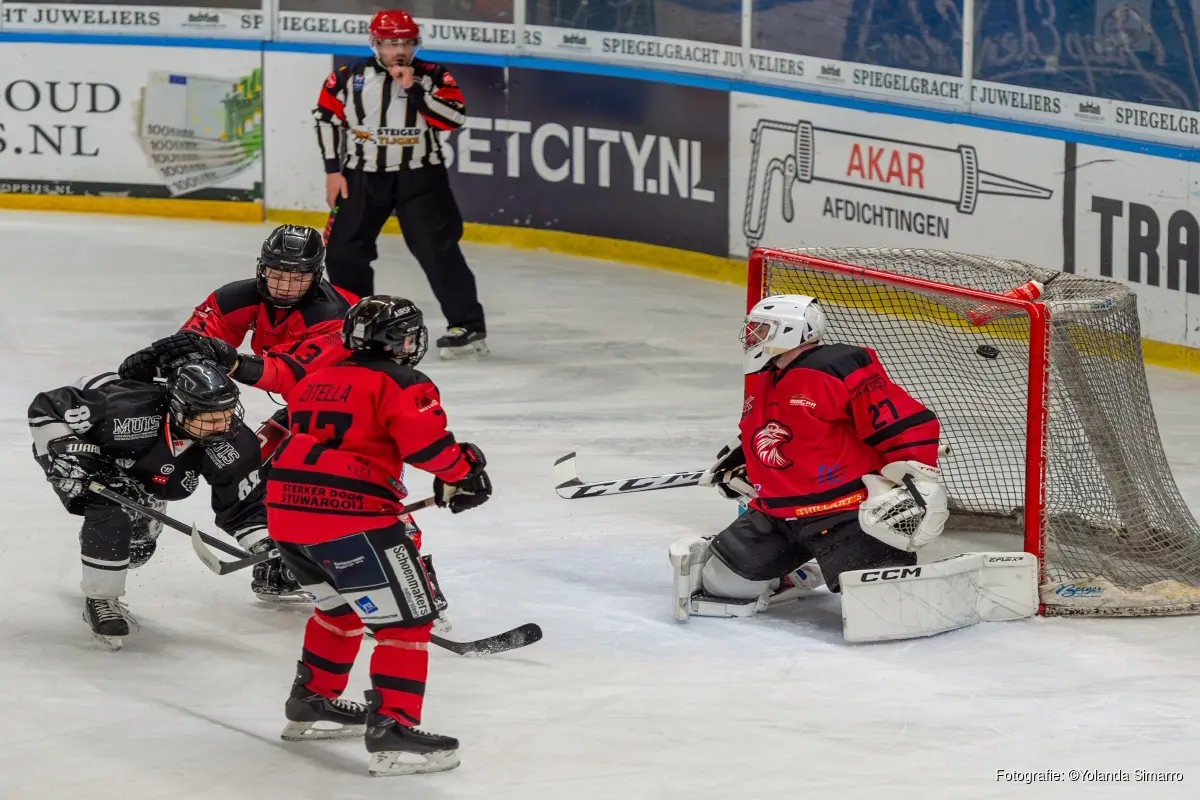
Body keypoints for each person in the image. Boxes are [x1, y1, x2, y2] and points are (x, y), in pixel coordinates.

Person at [264, 295, 491, 776]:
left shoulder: (315, 379)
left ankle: (311, 701)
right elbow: (429, 447)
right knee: (407, 624)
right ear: (401, 341)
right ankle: (393, 727)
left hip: (286, 514)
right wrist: (465, 469)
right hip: (352, 520)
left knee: (338, 611)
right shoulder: (403, 380)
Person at [670, 294, 949, 620]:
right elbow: (771, 429)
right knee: (723, 586)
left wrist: (919, 475)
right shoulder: (763, 377)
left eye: (761, 329)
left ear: (790, 331)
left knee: (882, 605)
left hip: (845, 514)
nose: (751, 336)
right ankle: (793, 576)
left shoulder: (839, 365)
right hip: (778, 515)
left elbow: (897, 419)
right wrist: (745, 462)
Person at [116, 224, 356, 604]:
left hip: (349, 414)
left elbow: (287, 375)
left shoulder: (335, 316)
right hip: (303, 408)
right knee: (245, 463)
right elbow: (195, 347)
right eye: (276, 273)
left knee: (313, 488)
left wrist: (228, 359)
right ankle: (279, 566)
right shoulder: (236, 298)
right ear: (262, 267)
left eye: (298, 277)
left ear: (317, 274)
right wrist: (173, 358)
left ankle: (394, 578)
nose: (284, 286)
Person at [28, 362, 268, 650]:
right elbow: (47, 407)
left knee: (137, 549)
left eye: (227, 415)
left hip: (151, 471)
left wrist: (265, 545)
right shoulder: (126, 410)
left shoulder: (237, 442)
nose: (222, 426)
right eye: (210, 418)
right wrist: (64, 446)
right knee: (111, 505)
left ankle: (119, 530)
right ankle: (102, 600)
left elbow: (242, 507)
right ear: (181, 410)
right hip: (93, 454)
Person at [314, 9, 488, 360]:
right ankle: (357, 324)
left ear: (415, 43)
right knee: (344, 251)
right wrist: (333, 170)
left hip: (420, 177)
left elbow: (453, 119)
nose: (399, 50)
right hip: (361, 176)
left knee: (437, 249)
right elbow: (326, 119)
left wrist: (413, 90)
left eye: (405, 42)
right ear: (374, 43)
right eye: (390, 42)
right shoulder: (347, 77)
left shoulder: (433, 75)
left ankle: (466, 326)